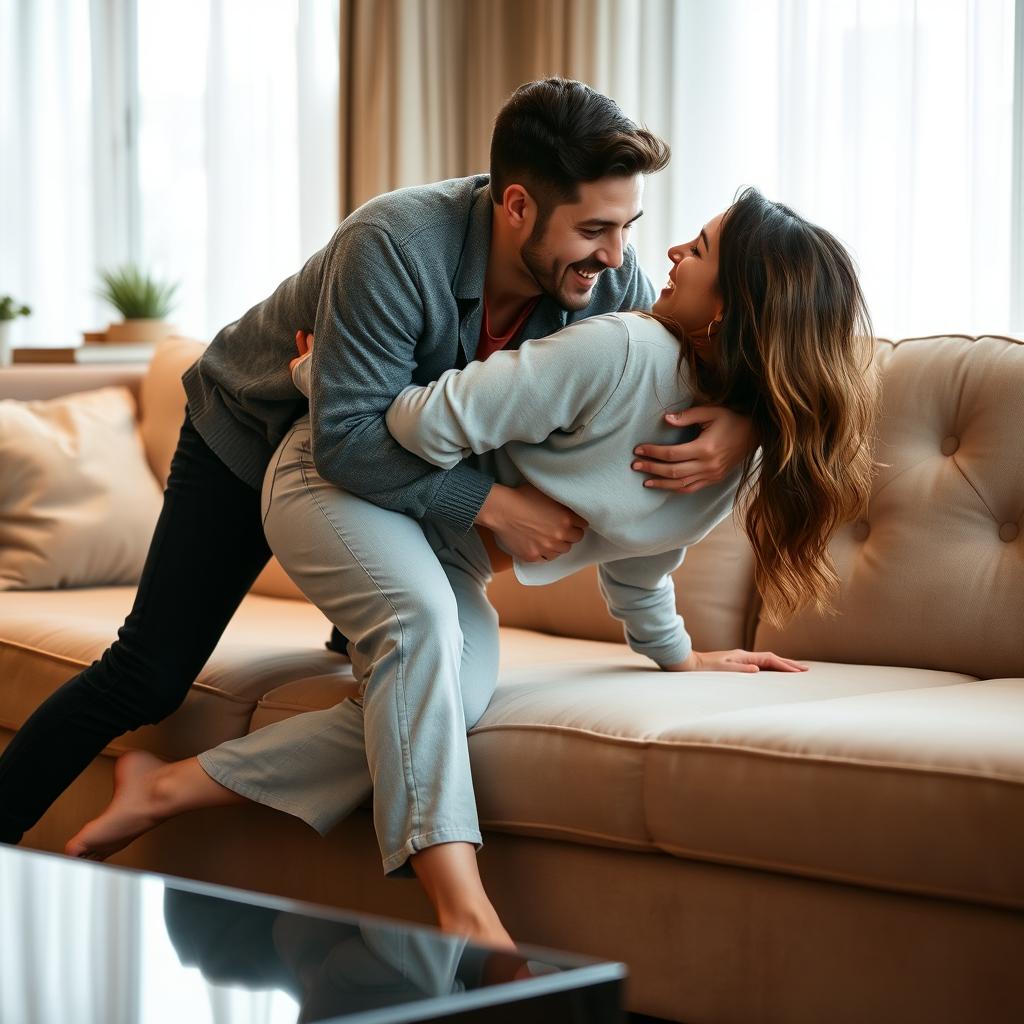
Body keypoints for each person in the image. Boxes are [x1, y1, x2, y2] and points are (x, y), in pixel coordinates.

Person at [66, 187, 880, 953]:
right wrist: (324, 379)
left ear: (733, 307)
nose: (666, 250)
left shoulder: (722, 453)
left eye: (697, 249)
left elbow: (641, 559)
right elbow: (422, 416)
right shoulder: (617, 347)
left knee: (448, 697)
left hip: (436, 536)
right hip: (340, 477)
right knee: (418, 633)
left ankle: (167, 789)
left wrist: (678, 653)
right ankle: (464, 910)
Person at [0, 79, 758, 849]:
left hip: (383, 478)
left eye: (627, 225)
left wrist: (747, 421)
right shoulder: (397, 242)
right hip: (259, 432)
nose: (618, 255)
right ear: (519, 205)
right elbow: (348, 441)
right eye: (595, 227)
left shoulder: (607, 285)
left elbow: (761, 319)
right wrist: (494, 508)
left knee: (401, 677)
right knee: (149, 676)